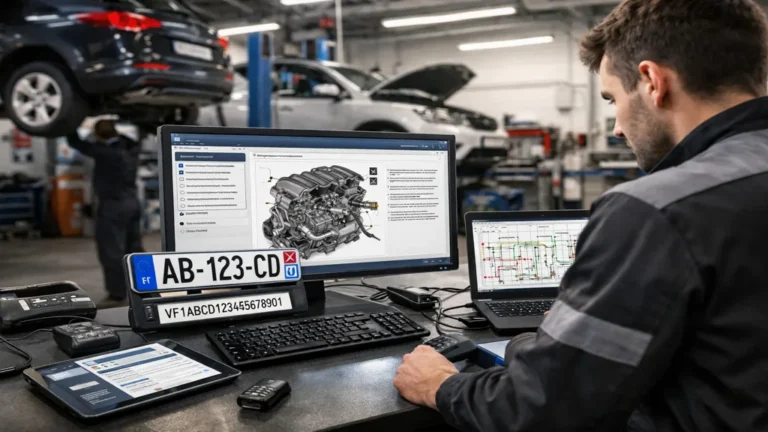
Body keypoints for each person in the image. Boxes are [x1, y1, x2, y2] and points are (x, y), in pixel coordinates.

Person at [393, 0, 768, 430]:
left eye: (612, 99)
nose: (617, 128)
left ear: (651, 82)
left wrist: (441, 385)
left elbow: (541, 411)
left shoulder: (658, 210)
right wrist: (545, 344)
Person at [67, 120, 143, 307]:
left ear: (98, 135)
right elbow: (136, 139)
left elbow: (76, 143)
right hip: (133, 203)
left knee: (112, 251)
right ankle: (145, 288)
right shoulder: (130, 148)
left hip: (113, 206)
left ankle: (117, 294)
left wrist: (68, 120)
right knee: (135, 250)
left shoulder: (103, 152)